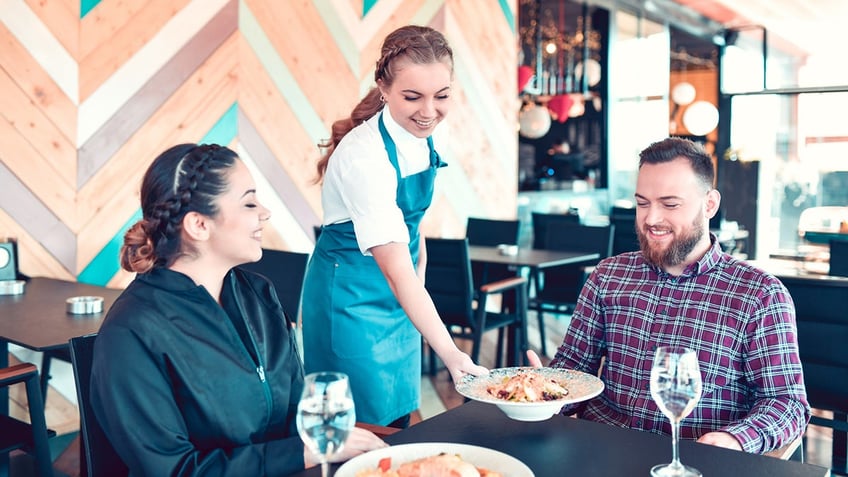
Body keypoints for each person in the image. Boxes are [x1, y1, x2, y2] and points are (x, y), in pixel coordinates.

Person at [90, 144, 387, 476]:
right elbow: (173, 470)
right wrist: (298, 453)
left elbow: (297, 411)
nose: (264, 212)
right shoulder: (131, 331)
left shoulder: (258, 295)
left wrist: (323, 445)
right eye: (249, 202)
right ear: (199, 225)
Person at [530, 137, 809, 454]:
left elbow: (787, 403)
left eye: (670, 204)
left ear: (709, 204)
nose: (651, 219)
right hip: (601, 452)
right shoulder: (607, 276)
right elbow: (573, 368)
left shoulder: (759, 294)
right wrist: (541, 392)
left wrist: (736, 438)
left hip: (694, 461)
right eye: (643, 203)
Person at [301, 25, 487, 428]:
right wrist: (452, 353)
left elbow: (413, 222)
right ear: (383, 89)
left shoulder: (426, 132)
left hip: (402, 298)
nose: (429, 111)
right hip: (351, 303)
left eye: (442, 95)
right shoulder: (364, 158)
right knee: (356, 429)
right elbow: (395, 270)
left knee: (397, 420)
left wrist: (418, 278)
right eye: (412, 96)